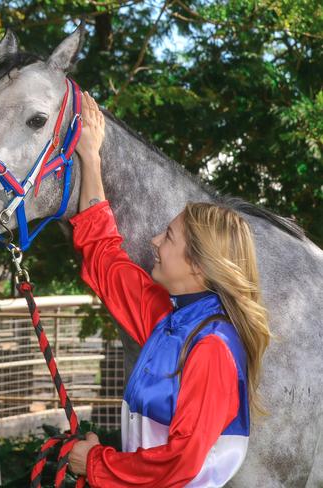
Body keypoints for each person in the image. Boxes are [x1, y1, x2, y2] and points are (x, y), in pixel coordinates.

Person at [67, 93, 271, 486]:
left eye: (169, 236)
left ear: (198, 265)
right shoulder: (168, 320)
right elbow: (103, 253)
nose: (155, 242)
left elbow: (178, 465)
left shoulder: (212, 347)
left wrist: (95, 463)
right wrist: (90, 157)